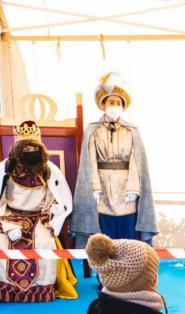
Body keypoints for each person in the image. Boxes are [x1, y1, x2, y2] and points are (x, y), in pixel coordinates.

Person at [0, 120, 76, 302]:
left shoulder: (49, 170)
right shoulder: (5, 169)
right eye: (25, 149)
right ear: (18, 150)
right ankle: (3, 291)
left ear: (40, 149)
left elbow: (58, 198)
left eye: (33, 148)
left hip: (39, 218)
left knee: (44, 244)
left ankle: (39, 290)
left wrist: (53, 214)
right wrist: (7, 225)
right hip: (8, 216)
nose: (30, 153)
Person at [72, 72, 158, 248]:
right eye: (111, 102)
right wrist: (94, 187)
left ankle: (129, 272)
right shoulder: (93, 130)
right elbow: (90, 161)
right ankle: (106, 273)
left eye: (118, 103)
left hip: (126, 189)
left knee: (128, 236)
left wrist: (134, 188)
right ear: (103, 105)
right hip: (102, 190)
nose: (115, 106)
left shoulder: (131, 130)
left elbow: (136, 161)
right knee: (105, 236)